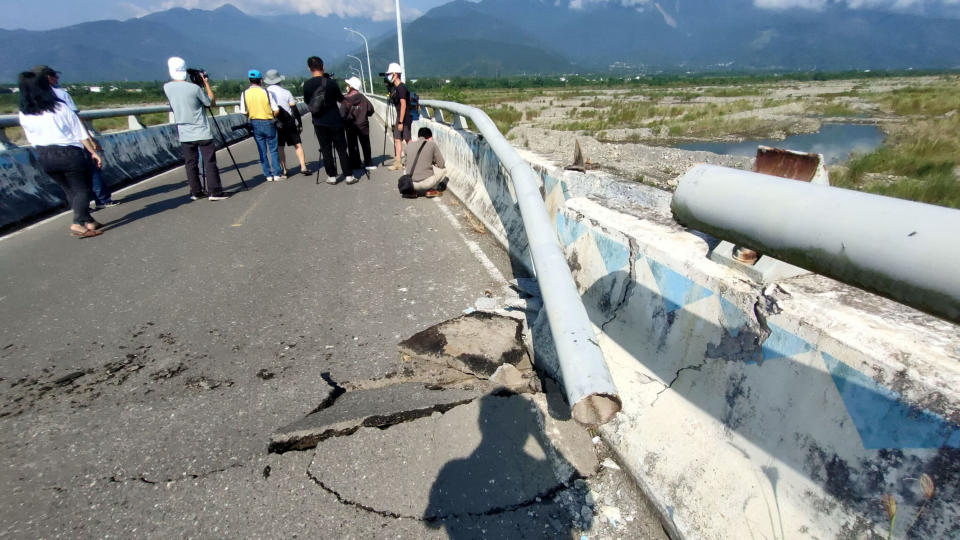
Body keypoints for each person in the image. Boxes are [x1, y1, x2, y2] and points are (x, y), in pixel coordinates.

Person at [17, 71, 104, 237]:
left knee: (69, 190)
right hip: (69, 153)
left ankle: (88, 220)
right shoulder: (59, 107)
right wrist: (93, 152)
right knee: (82, 189)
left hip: (44, 154)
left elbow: (30, 137)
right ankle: (78, 223)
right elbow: (79, 133)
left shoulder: (24, 113)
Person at [35, 65, 119, 210]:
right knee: (91, 169)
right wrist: (90, 140)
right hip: (72, 141)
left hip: (47, 147)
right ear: (48, 77)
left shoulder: (32, 98)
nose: (57, 78)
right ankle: (102, 199)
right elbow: (76, 120)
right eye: (54, 75)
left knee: (68, 182)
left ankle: (81, 210)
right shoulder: (61, 94)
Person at [162, 57, 228, 201]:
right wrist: (206, 83)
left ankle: (195, 191)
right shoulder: (195, 88)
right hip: (201, 131)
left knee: (190, 163)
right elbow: (210, 103)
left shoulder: (167, 87)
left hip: (184, 133)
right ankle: (215, 192)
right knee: (209, 162)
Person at [303, 56, 354, 185]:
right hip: (335, 120)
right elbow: (341, 100)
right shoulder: (331, 83)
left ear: (309, 68)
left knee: (326, 149)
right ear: (323, 66)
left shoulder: (307, 85)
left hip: (319, 122)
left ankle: (332, 176)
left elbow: (308, 103)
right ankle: (348, 175)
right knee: (341, 148)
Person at [264, 69, 311, 177]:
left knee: (280, 146)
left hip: (276, 123)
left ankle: (284, 169)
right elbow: (294, 109)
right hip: (289, 122)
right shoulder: (286, 92)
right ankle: (303, 166)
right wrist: (299, 122)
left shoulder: (266, 93)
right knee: (297, 144)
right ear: (279, 80)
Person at [240, 69, 283, 181]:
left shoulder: (244, 93)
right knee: (273, 149)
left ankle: (268, 175)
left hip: (255, 123)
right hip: (268, 122)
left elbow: (244, 111)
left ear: (249, 80)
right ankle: (277, 173)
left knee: (262, 150)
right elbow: (276, 109)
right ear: (261, 80)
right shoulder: (266, 92)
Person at [340, 76, 376, 173]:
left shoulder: (345, 99)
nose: (346, 86)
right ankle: (368, 163)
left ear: (351, 87)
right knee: (365, 144)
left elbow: (342, 114)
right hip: (363, 124)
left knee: (352, 145)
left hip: (350, 125)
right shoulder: (362, 97)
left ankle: (356, 163)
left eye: (348, 85)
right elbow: (371, 110)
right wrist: (363, 113)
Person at [401, 127, 446, 199]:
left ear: (418, 136)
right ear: (430, 137)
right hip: (426, 184)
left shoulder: (409, 144)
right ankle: (431, 190)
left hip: (410, 183)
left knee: (406, 168)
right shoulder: (432, 144)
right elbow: (442, 164)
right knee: (444, 170)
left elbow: (404, 162)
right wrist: (433, 162)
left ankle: (413, 191)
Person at [385, 62, 412, 171]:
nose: (388, 76)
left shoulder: (401, 88)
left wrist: (400, 122)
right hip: (399, 117)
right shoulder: (395, 88)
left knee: (408, 139)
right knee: (397, 139)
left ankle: (414, 160)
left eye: (390, 74)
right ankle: (398, 162)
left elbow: (403, 105)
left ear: (395, 74)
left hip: (404, 118)